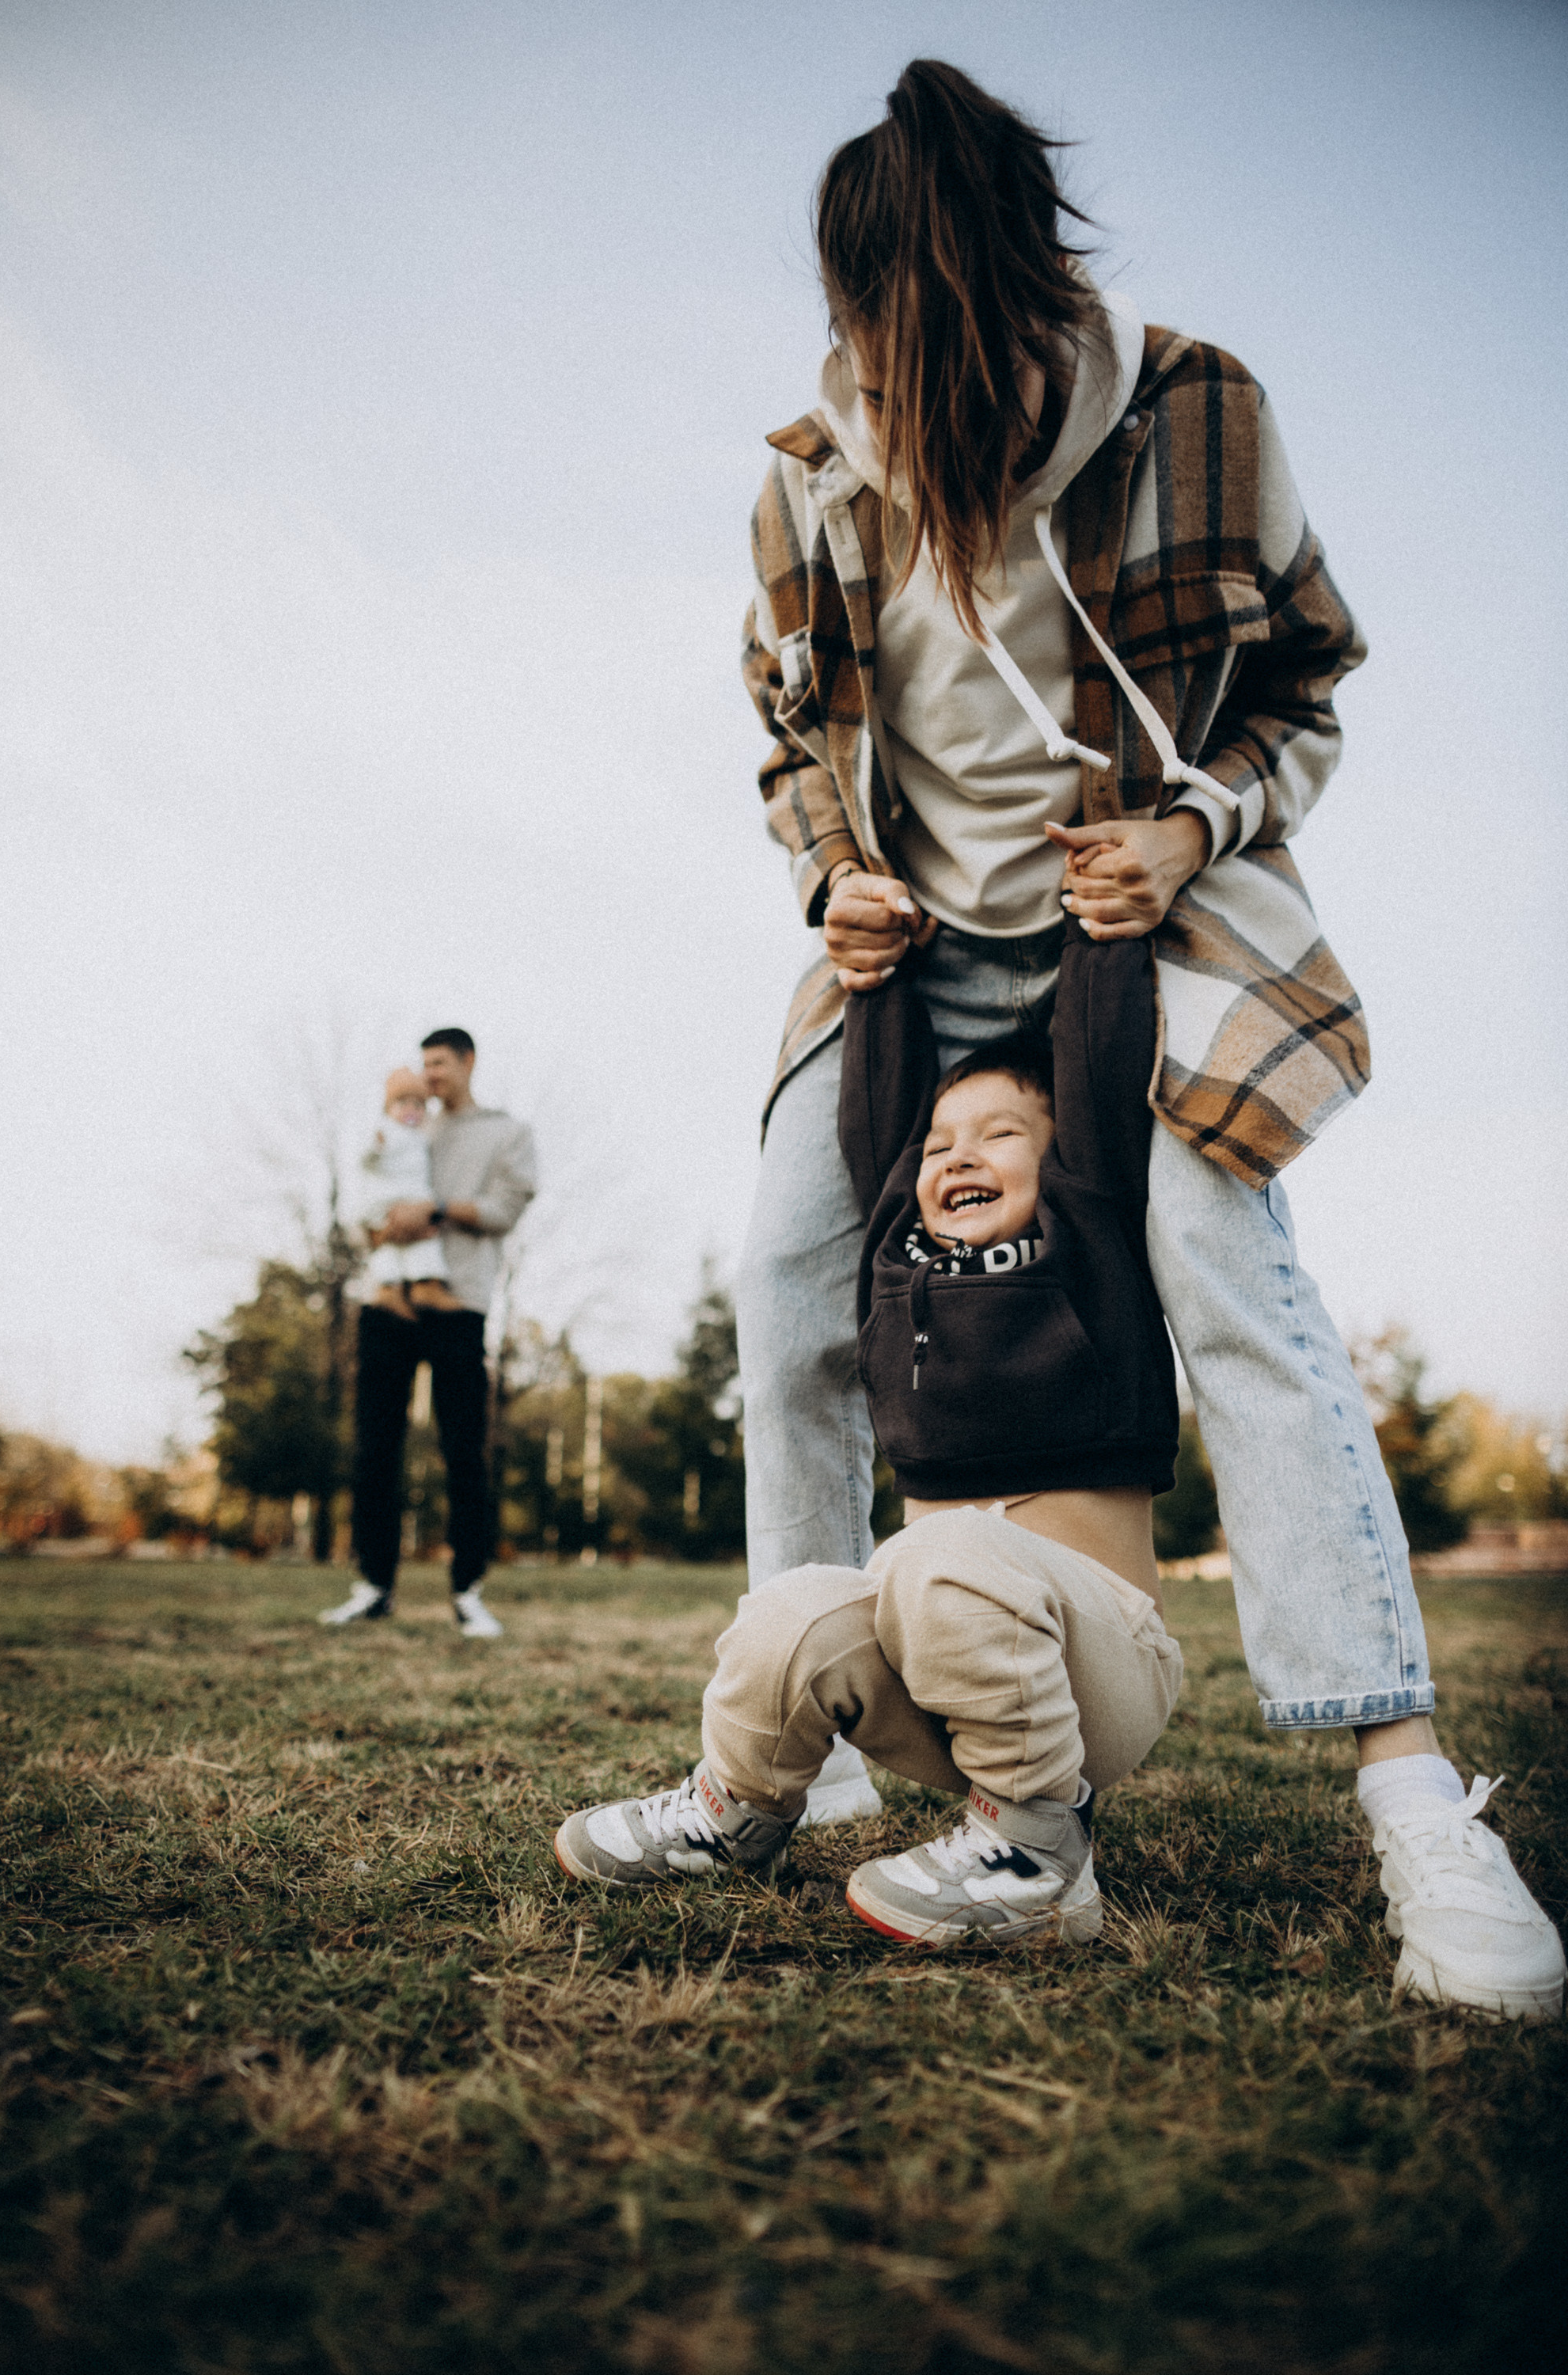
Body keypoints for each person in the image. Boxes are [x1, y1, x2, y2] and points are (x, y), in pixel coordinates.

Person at [731, 60, 1562, 2016]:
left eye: (973, 345)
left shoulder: (1198, 410)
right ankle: (799, 1751)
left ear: (1036, 286)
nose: (937, 394)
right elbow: (786, 745)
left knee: (1215, 1260)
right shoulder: (805, 473)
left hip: (1149, 931)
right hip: (915, 963)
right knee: (782, 1281)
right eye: (892, 342)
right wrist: (832, 874)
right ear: (853, 316)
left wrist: (1195, 822)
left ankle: (1413, 1798)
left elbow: (1304, 683)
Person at [553, 937, 1183, 1949]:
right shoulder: (896, 1260)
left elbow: (1098, 1065)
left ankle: (1038, 1847)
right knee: (792, 1606)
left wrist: (1095, 928)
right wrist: (880, 970)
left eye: (999, 1135)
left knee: (940, 1552)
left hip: (1096, 1667)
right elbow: (880, 1114)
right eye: (938, 1147)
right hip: (944, 1660)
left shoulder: (1088, 1223)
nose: (957, 1157)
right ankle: (737, 1809)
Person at [321, 1028, 537, 1639]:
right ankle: (373, 1586)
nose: (430, 1076)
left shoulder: (505, 1132)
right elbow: (369, 1192)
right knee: (374, 1448)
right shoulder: (406, 1122)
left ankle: (468, 1591)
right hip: (388, 1304)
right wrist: (378, 1226)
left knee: (464, 1450)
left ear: (468, 1061)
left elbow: (506, 1208)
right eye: (424, 1065)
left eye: (439, 1063)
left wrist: (435, 1210)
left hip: (458, 1303)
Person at [358, 1066, 457, 1321]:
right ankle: (388, 1289)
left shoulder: (420, 1136)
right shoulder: (386, 1131)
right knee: (391, 1247)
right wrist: (376, 1146)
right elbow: (366, 1159)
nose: (411, 1110)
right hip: (388, 1201)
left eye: (418, 1105)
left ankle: (423, 1287)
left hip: (413, 1201)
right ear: (389, 1108)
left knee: (417, 1245)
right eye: (403, 1103)